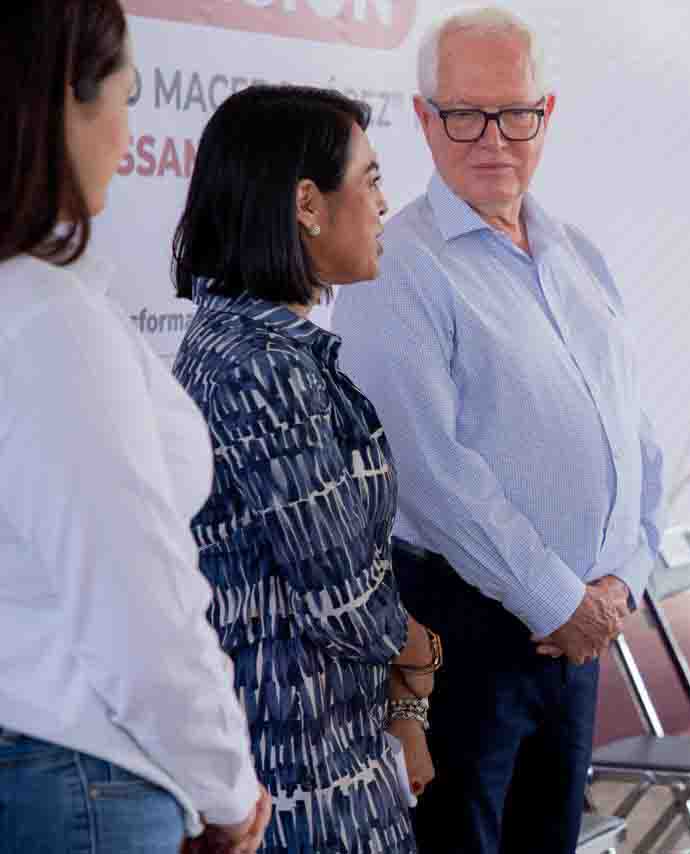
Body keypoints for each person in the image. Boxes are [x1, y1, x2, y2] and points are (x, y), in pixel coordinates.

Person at [330, 8, 663, 854]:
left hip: (580, 629)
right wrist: (560, 601)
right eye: (464, 115)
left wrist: (622, 580)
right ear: (423, 118)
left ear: (546, 113)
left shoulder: (577, 253)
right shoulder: (397, 264)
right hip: (463, 631)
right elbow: (428, 473)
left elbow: (634, 435)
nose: (492, 139)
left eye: (515, 113)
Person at [0, 3, 270, 853]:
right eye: (127, 97)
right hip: (81, 773)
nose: (129, 138)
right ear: (64, 102)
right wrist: (226, 788)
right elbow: (136, 611)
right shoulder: (46, 324)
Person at [171, 85, 442, 854]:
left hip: (324, 748)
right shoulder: (261, 366)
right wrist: (422, 649)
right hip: (300, 775)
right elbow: (342, 595)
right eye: (370, 180)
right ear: (307, 204)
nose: (384, 205)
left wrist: (406, 703)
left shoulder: (257, 347)